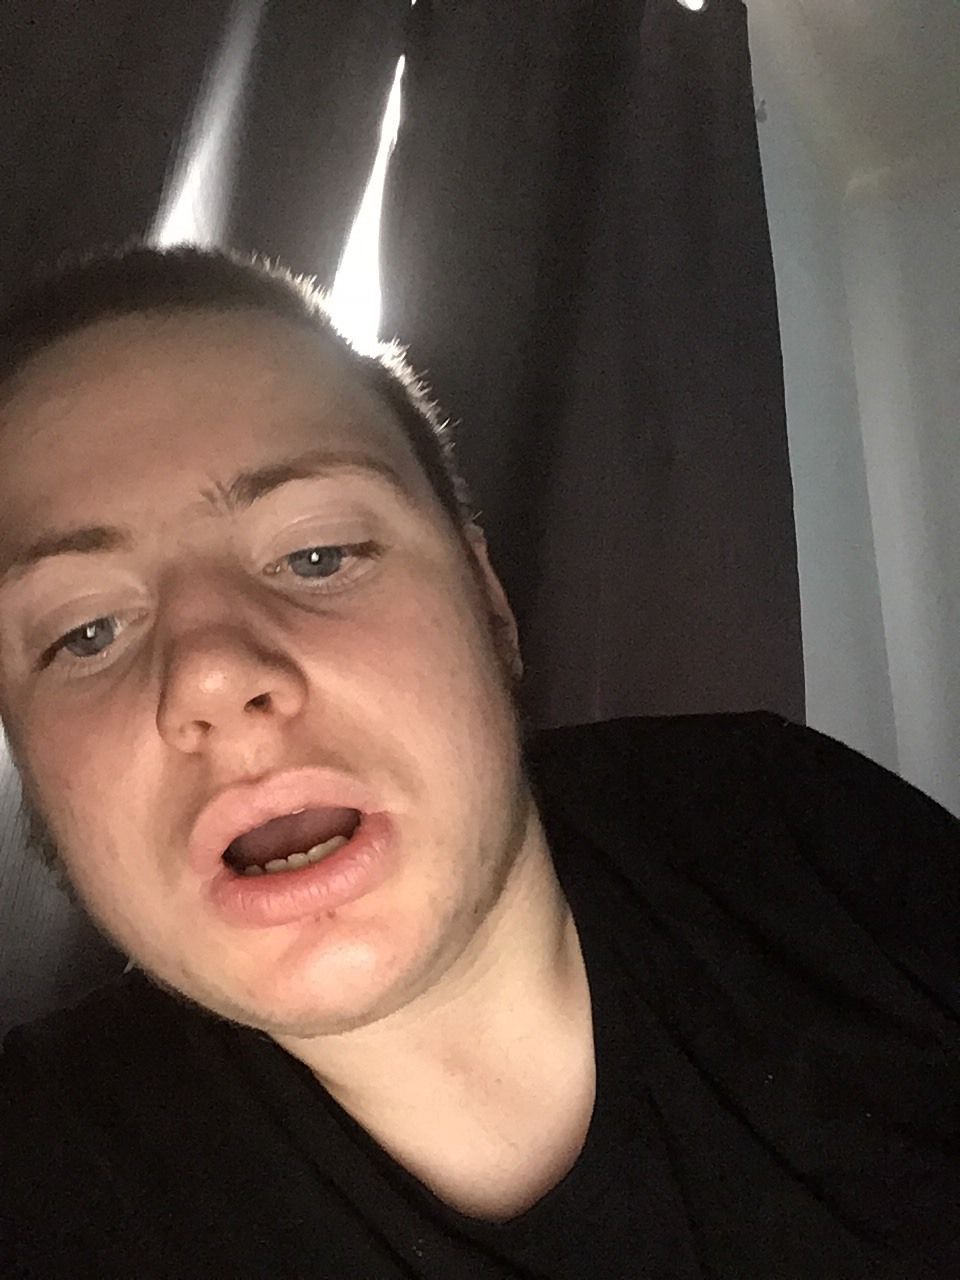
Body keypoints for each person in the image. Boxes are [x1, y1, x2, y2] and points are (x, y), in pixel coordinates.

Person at [0, 244, 957, 1280]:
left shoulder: (783, 826)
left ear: (489, 606)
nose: (212, 675)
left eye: (318, 554)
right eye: (84, 632)